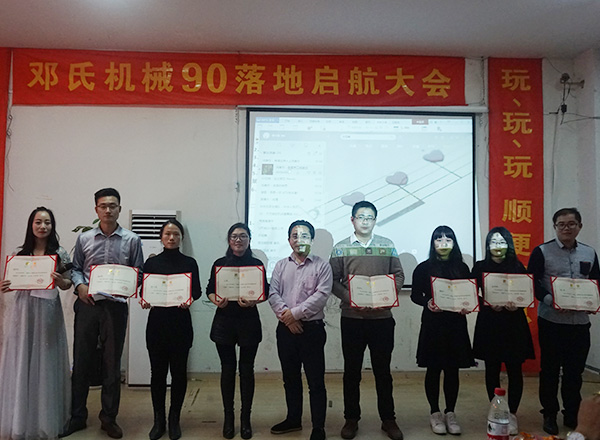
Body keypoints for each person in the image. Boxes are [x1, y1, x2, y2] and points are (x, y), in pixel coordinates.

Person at [61, 188, 144, 439]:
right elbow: (76, 268)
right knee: (82, 360)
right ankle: (78, 416)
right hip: (88, 304)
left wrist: (129, 286)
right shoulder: (84, 238)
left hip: (115, 307)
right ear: (96, 209)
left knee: (111, 363)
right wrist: (80, 286)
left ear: (119, 209)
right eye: (103, 206)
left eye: (113, 206)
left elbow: (138, 271)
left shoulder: (132, 240)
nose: (108, 210)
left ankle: (109, 418)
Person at [329, 201, 405, 440]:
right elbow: (332, 280)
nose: (365, 221)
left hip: (382, 319)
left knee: (383, 371)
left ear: (375, 221)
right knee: (352, 371)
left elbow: (399, 275)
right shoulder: (340, 248)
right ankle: (351, 419)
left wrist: (389, 295)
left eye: (369, 217)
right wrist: (349, 297)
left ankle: (388, 419)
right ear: (352, 220)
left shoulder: (387, 245)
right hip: (352, 318)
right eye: (360, 217)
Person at [0, 207, 73, 440]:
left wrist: (60, 282)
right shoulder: (19, 253)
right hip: (23, 311)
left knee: (46, 359)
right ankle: (20, 421)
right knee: (22, 357)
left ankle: (44, 421)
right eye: (38, 222)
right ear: (31, 225)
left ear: (53, 226)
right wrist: (5, 286)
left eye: (47, 222)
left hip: (48, 310)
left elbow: (68, 284)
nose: (43, 226)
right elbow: (11, 281)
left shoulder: (60, 253)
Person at [528, 207, 599, 435]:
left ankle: (571, 413)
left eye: (571, 224)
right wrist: (552, 300)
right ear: (555, 227)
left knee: (574, 373)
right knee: (549, 370)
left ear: (579, 226)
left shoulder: (590, 253)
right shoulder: (542, 251)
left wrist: (593, 302)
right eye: (561, 224)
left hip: (579, 324)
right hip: (552, 321)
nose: (566, 228)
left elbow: (595, 282)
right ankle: (549, 413)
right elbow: (532, 283)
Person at [268, 220, 332, 440]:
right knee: (290, 378)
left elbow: (321, 296)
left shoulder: (322, 266)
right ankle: (293, 419)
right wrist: (288, 319)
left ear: (312, 240)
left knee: (316, 381)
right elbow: (273, 293)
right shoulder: (280, 265)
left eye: (304, 236)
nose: (299, 239)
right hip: (285, 330)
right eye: (294, 236)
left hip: (312, 330)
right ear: (289, 240)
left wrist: (293, 314)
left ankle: (318, 427)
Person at [206, 223, 268, 440]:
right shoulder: (220, 264)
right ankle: (228, 417)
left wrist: (254, 301)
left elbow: (265, 292)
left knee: (247, 370)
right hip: (224, 322)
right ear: (229, 240)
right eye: (234, 236)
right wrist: (216, 300)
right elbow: (210, 290)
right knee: (227, 370)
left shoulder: (257, 264)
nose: (238, 240)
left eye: (243, 236)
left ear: (249, 240)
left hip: (248, 322)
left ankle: (245, 418)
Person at [410, 225, 474, 436]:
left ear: (454, 243)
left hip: (455, 325)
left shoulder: (462, 268)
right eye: (439, 240)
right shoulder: (423, 268)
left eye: (448, 240)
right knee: (433, 368)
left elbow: (469, 294)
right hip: (433, 324)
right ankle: (435, 412)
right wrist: (427, 302)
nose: (443, 244)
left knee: (452, 369)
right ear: (433, 243)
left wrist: (467, 305)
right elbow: (415, 295)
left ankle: (450, 412)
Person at [141, 219, 201, 440]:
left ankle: (174, 418)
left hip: (180, 325)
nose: (171, 238)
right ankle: (159, 420)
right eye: (167, 234)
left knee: (179, 373)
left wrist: (189, 299)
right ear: (161, 237)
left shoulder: (189, 263)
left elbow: (197, 291)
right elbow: (145, 290)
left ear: (181, 237)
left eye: (176, 234)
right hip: (157, 325)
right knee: (157, 374)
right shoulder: (151, 263)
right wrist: (145, 300)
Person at [471, 227, 535, 435]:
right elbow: (471, 292)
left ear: (509, 244)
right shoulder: (480, 267)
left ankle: (512, 413)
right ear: (488, 245)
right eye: (493, 242)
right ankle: (496, 410)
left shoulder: (518, 266)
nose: (497, 246)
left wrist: (517, 305)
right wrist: (487, 303)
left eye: (501, 242)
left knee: (514, 369)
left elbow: (526, 294)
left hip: (513, 324)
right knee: (492, 368)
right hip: (489, 323)